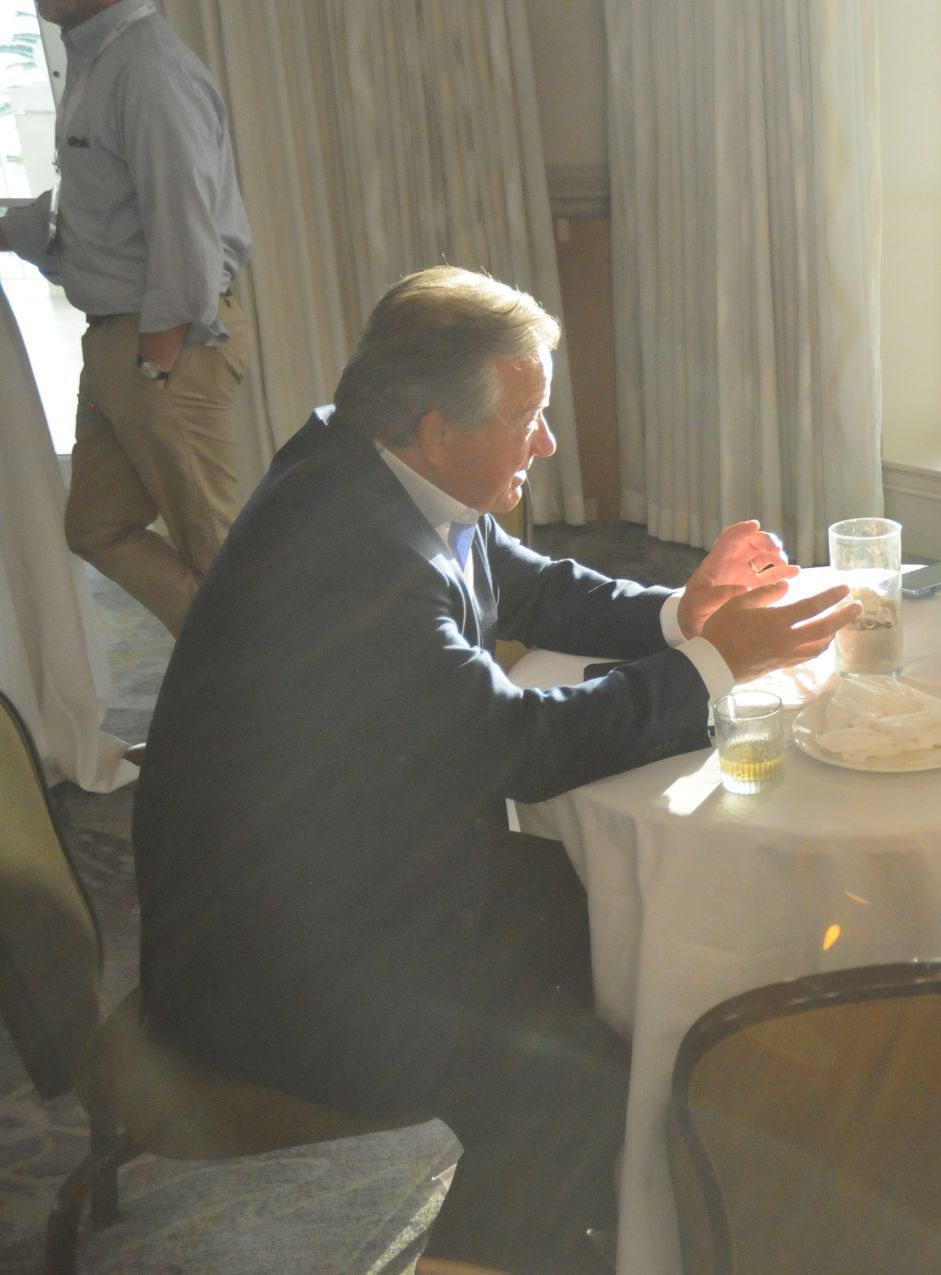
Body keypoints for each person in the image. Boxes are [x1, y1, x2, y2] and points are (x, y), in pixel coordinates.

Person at [132, 267, 859, 1275]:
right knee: (573, 1092)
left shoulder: (370, 464)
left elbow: (527, 582)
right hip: (273, 962)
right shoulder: (349, 557)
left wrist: (678, 614)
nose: (549, 441)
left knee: (614, 922)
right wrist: (718, 663)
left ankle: (605, 1223)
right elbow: (519, 746)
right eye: (531, 414)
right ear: (437, 428)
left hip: (348, 878)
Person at [0, 0, 253, 637]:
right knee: (97, 527)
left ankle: (275, 709)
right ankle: (237, 670)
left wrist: (154, 361)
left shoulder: (148, 70)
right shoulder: (96, 61)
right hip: (120, 341)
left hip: (163, 343)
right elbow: (91, 208)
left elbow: (186, 228)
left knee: (218, 553)